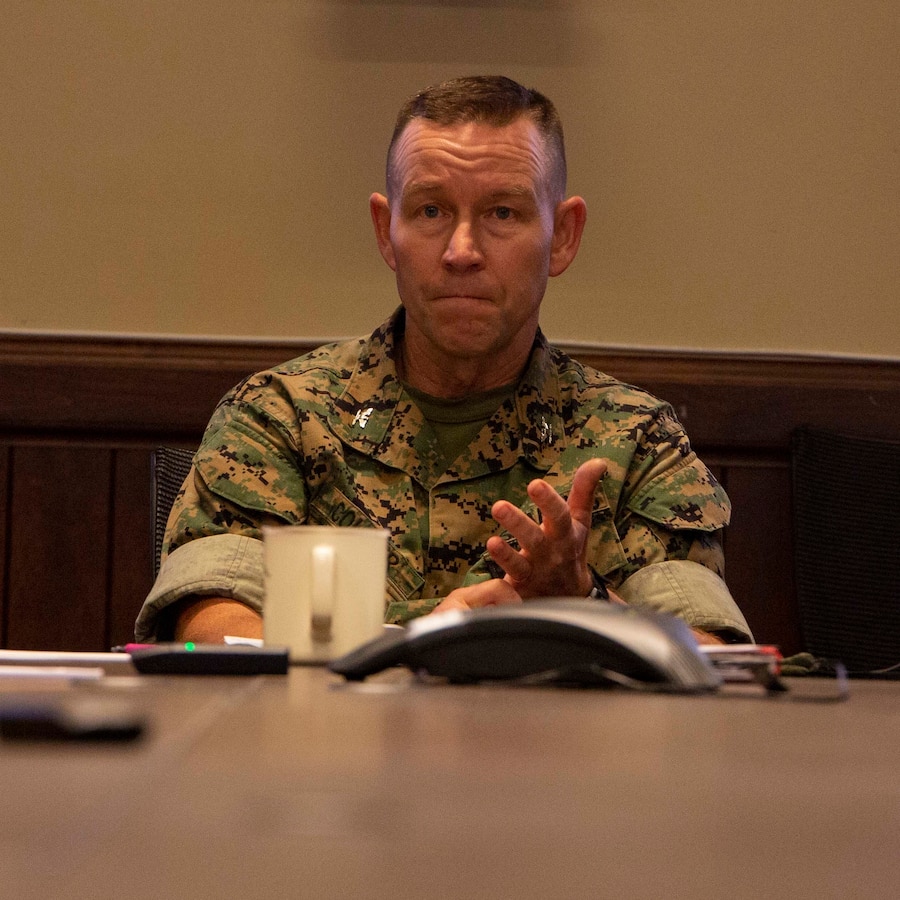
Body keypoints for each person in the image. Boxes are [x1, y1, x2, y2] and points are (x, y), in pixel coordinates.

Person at [135, 75, 752, 646]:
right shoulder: (282, 416)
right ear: (386, 231)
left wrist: (583, 602)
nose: (462, 251)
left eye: (502, 213)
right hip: (330, 755)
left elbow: (709, 656)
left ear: (563, 236)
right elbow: (210, 621)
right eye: (430, 211)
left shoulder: (637, 441)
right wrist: (417, 643)